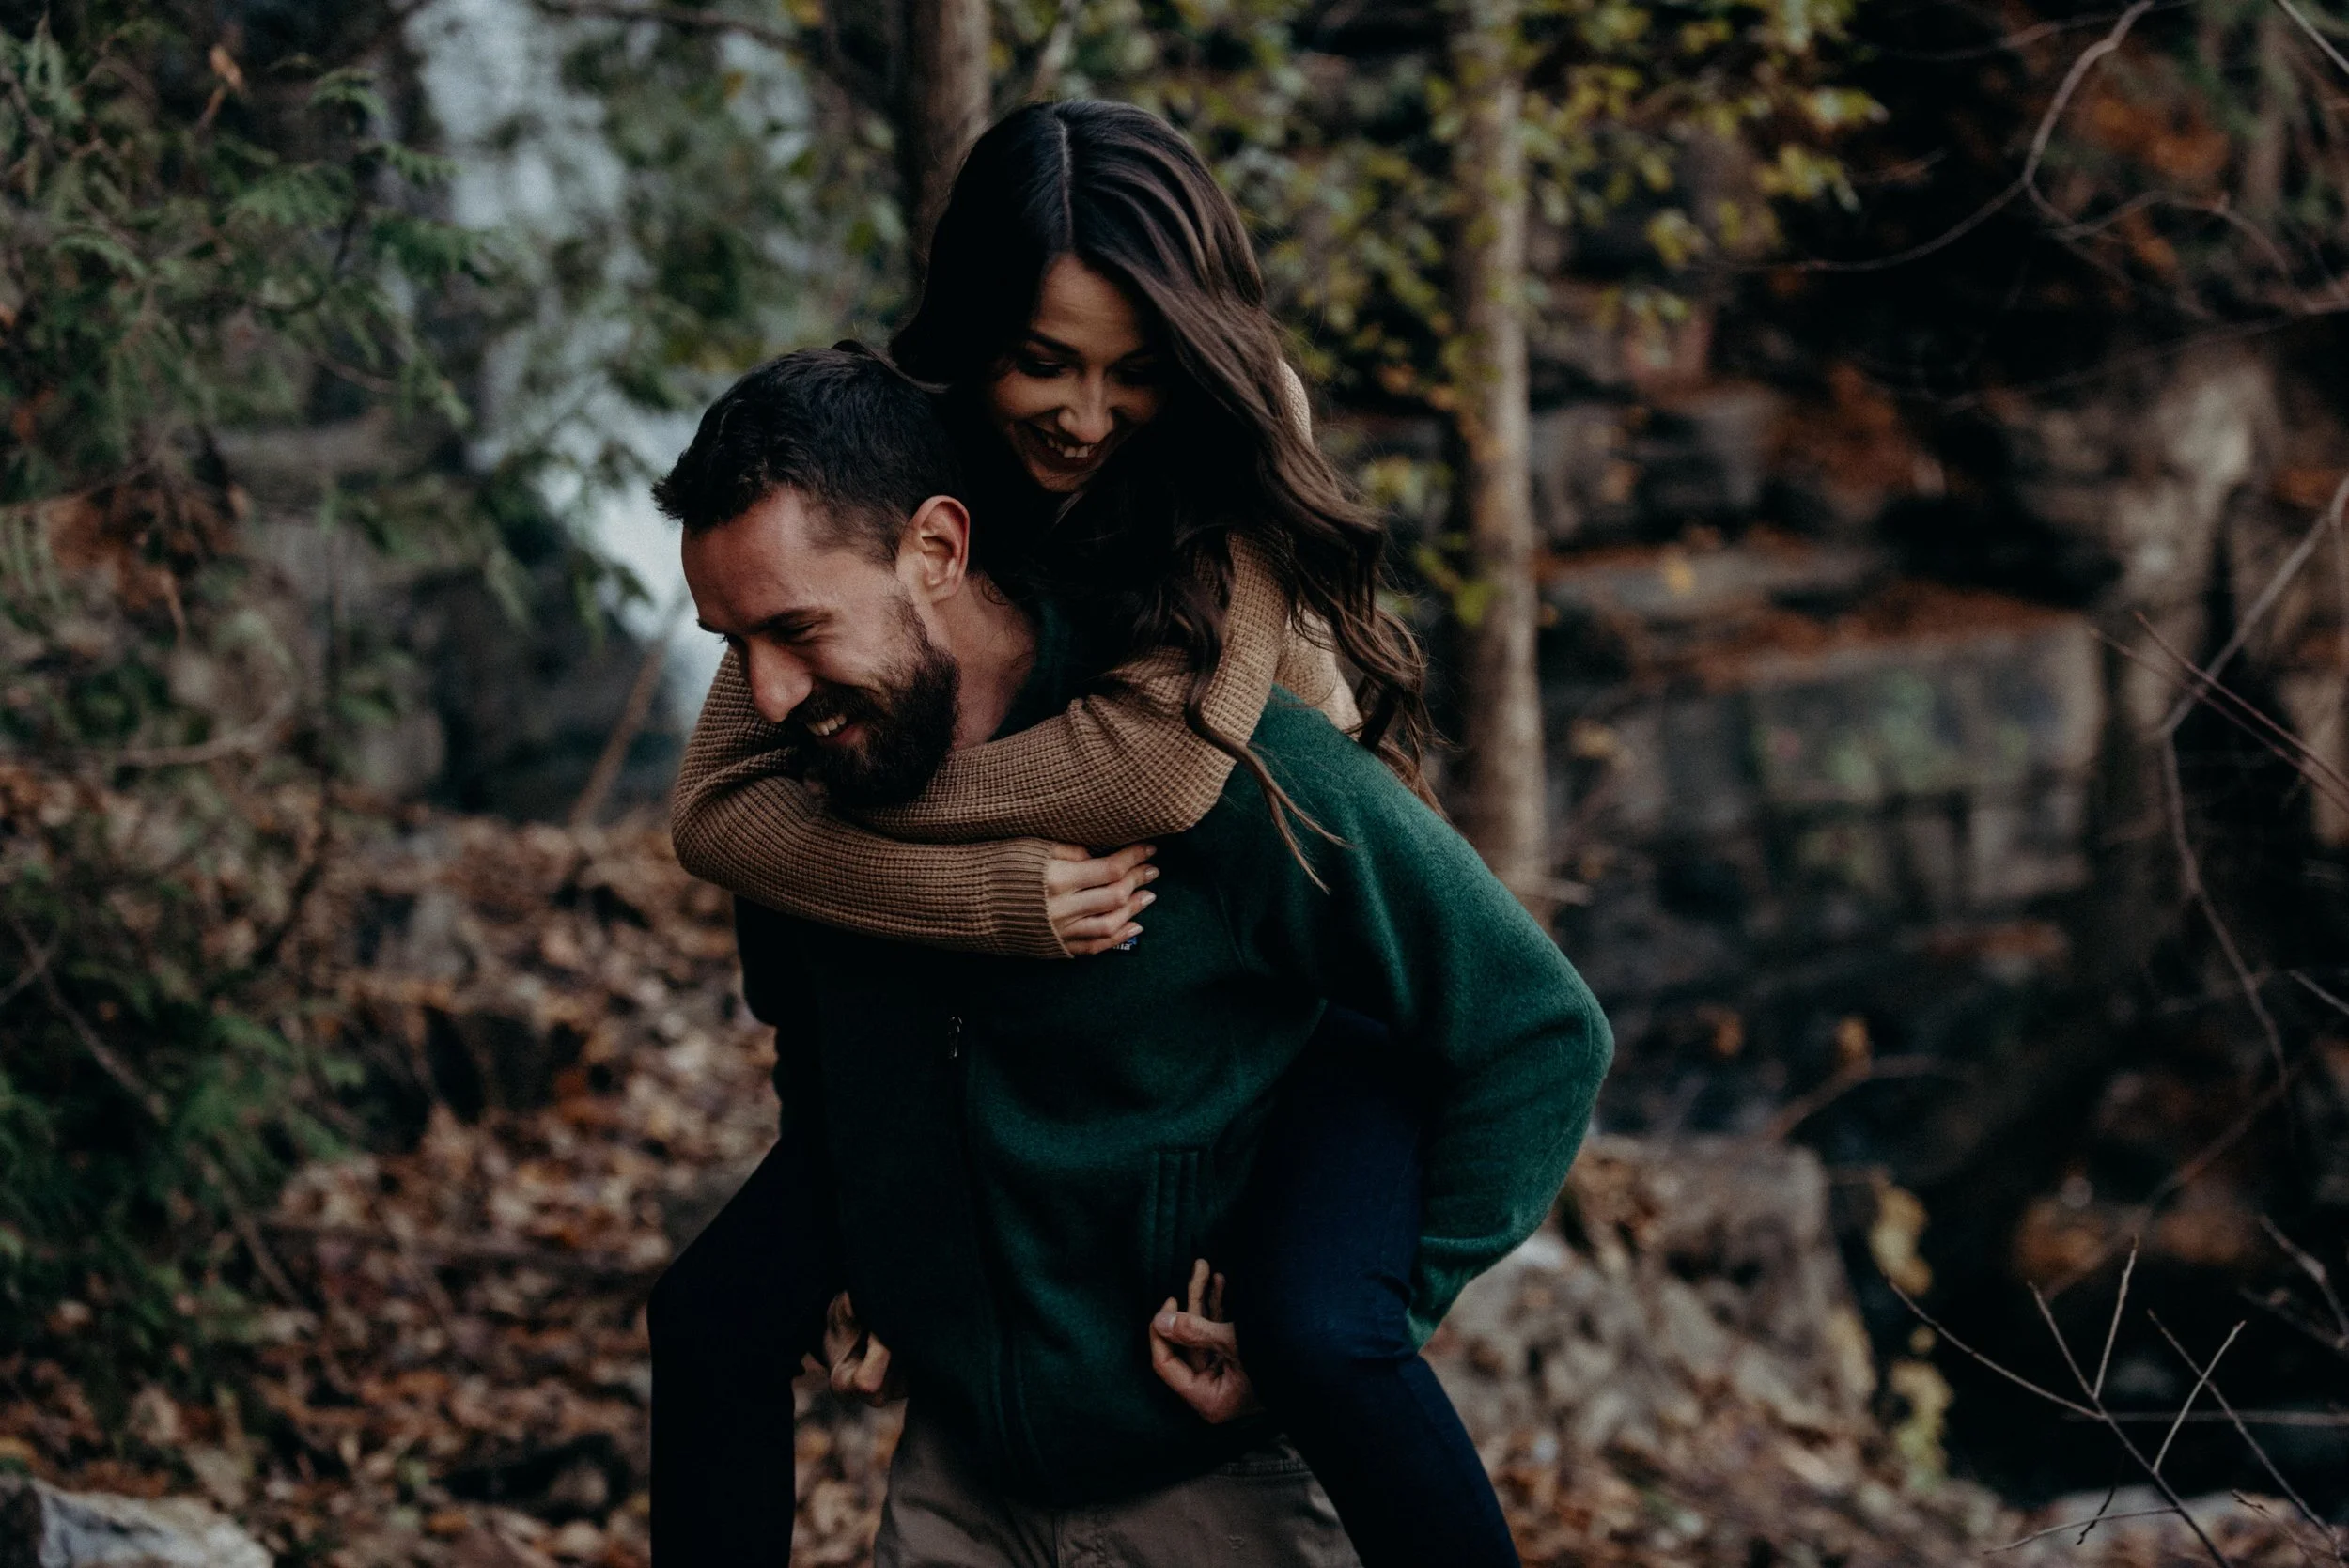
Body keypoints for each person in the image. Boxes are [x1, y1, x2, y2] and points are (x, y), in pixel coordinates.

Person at [653, 100, 1609, 1565]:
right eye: (1044, 360)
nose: (1087, 417)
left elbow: (1173, 776)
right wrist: (894, 1207)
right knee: (714, 1315)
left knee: (1322, 1328)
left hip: (1316, 981)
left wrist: (1397, 1290)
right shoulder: (858, 573)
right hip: (1009, 1076)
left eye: (1131, 371)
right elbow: (734, 833)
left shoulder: (1218, 478)